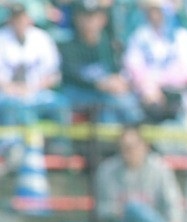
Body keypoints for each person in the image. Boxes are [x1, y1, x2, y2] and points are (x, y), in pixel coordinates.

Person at [0, 2, 72, 155]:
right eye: (15, 18)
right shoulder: (2, 37)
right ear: (10, 20)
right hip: (8, 95)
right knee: (12, 106)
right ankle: (11, 148)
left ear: (28, 18)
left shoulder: (42, 38)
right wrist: (11, 88)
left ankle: (61, 148)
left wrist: (34, 88)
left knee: (60, 103)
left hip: (37, 92)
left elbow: (54, 74)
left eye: (22, 17)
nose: (19, 22)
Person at [58, 0, 145, 124]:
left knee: (126, 101)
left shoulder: (110, 45)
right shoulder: (67, 46)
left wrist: (118, 81)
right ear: (76, 18)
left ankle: (136, 132)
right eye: (84, 16)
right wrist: (98, 84)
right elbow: (69, 76)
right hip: (79, 94)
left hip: (107, 95)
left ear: (103, 19)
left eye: (93, 16)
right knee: (110, 105)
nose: (89, 21)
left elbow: (117, 72)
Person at [122, 0, 187, 123]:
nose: (154, 15)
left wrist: (160, 81)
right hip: (144, 92)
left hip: (174, 92)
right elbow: (132, 64)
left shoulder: (182, 36)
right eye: (151, 11)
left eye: (158, 11)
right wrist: (149, 86)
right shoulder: (139, 36)